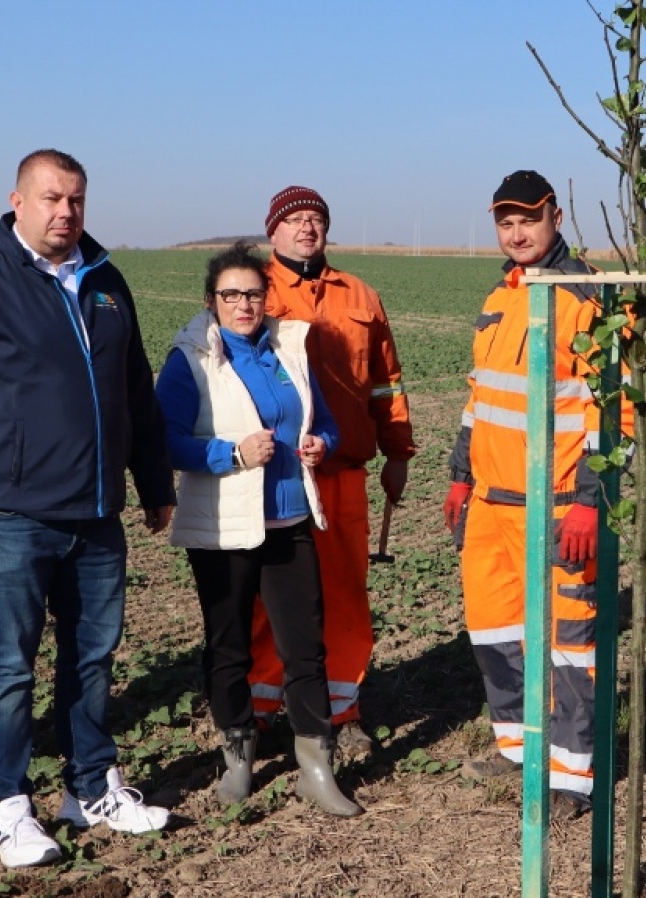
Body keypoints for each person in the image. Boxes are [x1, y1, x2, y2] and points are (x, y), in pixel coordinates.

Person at [0, 149, 176, 867]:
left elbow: (135, 393)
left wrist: (154, 484)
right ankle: (8, 803)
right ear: (17, 201)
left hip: (96, 513)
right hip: (10, 514)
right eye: (52, 198)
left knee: (93, 656)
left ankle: (90, 787)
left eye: (77, 200)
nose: (66, 212)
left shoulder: (106, 282)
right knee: (7, 664)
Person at [445, 170, 631, 821]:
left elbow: (618, 411)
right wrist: (461, 472)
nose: (517, 231)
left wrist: (591, 497)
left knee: (568, 643)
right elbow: (481, 396)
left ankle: (571, 777)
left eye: (528, 218)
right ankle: (519, 750)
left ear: (555, 216)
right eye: (505, 221)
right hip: (493, 507)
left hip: (557, 507)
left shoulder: (591, 296)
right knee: (495, 632)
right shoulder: (502, 295)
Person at [156, 242, 361, 817]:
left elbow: (325, 422)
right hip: (224, 526)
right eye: (231, 295)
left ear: (266, 297)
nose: (244, 304)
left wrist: (324, 445)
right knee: (229, 646)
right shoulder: (191, 359)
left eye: (253, 293)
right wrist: (231, 453)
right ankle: (238, 759)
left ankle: (316, 766)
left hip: (291, 518)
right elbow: (164, 441)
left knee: (305, 647)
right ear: (212, 300)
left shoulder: (288, 348)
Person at [248, 187, 417, 759]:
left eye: (315, 219)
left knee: (344, 593)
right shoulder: (253, 292)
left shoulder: (359, 295)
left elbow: (386, 382)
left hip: (343, 473)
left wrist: (397, 452)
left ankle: (342, 709)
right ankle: (263, 706)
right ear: (273, 231)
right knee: (269, 594)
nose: (306, 228)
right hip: (274, 478)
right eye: (294, 219)